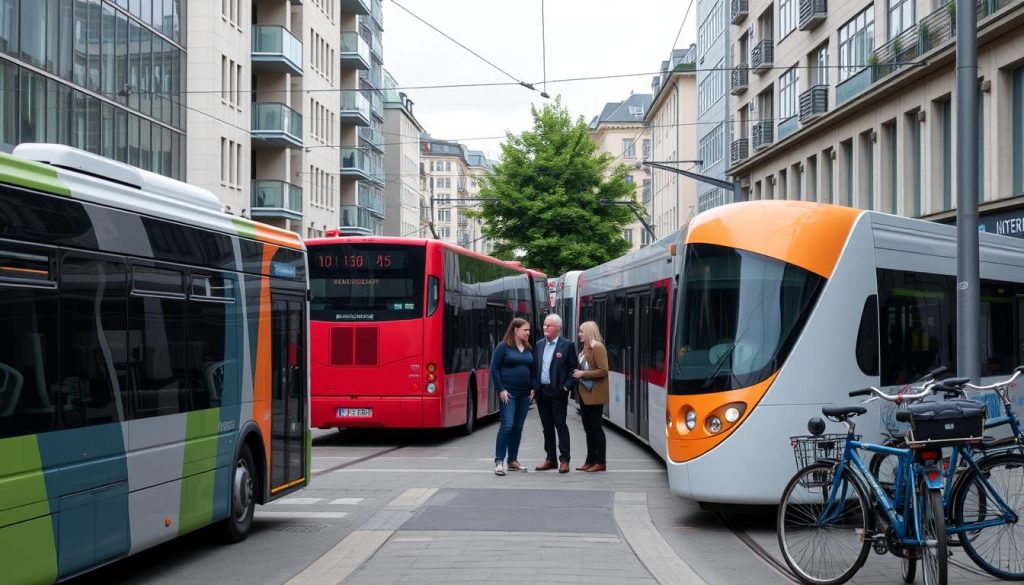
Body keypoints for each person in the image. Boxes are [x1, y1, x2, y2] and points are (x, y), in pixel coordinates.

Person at [532, 314, 579, 473]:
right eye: (544, 325)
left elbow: (574, 370)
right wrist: (534, 386)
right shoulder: (538, 345)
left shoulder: (567, 345)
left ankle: (564, 459)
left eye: (549, 325)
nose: (545, 327)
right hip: (542, 392)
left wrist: (566, 387)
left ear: (558, 328)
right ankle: (550, 458)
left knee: (560, 425)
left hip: (558, 393)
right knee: (547, 427)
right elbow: (534, 368)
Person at [490, 317, 535, 476]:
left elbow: (531, 369)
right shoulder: (503, 347)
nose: (528, 333)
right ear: (515, 330)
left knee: (518, 427)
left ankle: (513, 460)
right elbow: (494, 369)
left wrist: (532, 387)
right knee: (507, 425)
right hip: (509, 393)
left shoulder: (528, 348)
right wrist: (501, 389)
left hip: (524, 394)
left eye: (529, 330)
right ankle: (499, 461)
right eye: (525, 330)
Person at [572, 321, 609, 472]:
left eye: (581, 331)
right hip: (584, 394)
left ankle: (601, 462)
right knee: (588, 429)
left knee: (596, 428)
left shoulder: (598, 347)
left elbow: (603, 371)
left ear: (588, 332)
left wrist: (583, 374)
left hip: (594, 395)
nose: (579, 334)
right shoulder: (584, 349)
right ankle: (590, 460)